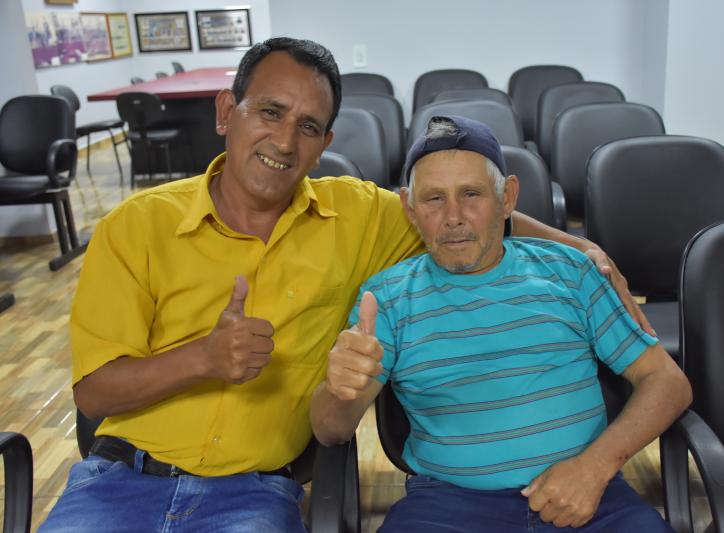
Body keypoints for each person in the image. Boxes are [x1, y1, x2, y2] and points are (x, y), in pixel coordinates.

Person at [41, 38, 650, 532]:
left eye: (308, 126)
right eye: (269, 112)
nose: (285, 141)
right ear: (227, 112)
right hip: (119, 481)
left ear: (326, 144)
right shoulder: (135, 225)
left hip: (253, 493)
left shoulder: (358, 214)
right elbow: (93, 394)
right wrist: (202, 357)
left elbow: (470, 213)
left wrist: (580, 247)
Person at [311, 115, 692, 532]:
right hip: (446, 508)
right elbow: (332, 431)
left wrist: (595, 467)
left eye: (471, 194)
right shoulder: (384, 299)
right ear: (410, 209)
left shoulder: (571, 272)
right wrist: (339, 390)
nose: (453, 217)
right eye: (434, 198)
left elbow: (667, 382)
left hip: (589, 495)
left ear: (507, 197)